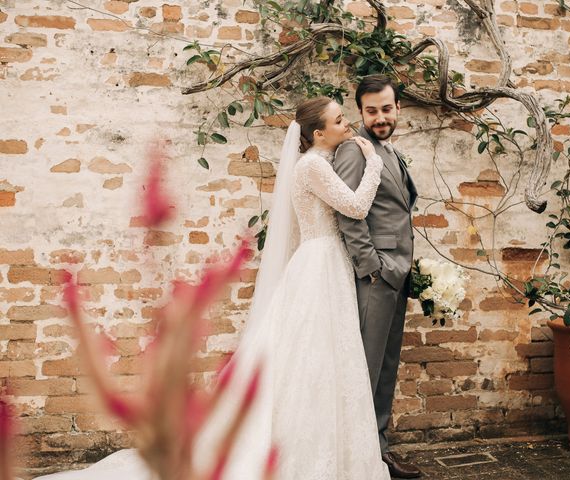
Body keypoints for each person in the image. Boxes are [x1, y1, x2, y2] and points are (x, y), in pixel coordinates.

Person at [35, 96, 391, 479]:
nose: (348, 125)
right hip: (320, 263)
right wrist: (373, 163)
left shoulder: (320, 163)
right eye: (339, 121)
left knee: (326, 356)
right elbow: (354, 207)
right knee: (314, 355)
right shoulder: (311, 167)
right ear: (318, 133)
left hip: (321, 262)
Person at [333, 75, 421, 479]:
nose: (380, 117)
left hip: (397, 275)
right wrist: (372, 269)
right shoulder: (354, 151)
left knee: (385, 367)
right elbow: (348, 213)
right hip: (377, 277)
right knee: (365, 370)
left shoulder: (391, 151)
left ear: (398, 107)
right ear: (361, 112)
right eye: (372, 110)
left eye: (387, 108)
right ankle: (361, 459)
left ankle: (378, 451)